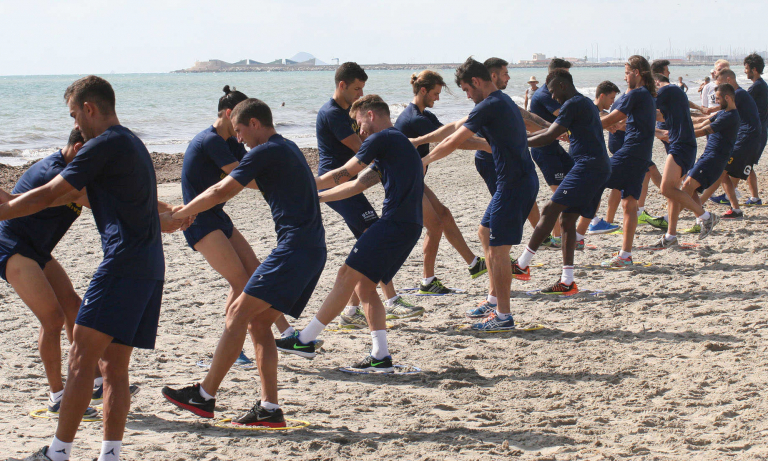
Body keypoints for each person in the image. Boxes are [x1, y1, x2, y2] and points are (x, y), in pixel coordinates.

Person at [7, 75, 188, 461]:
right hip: (150, 267)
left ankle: (58, 453)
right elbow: (123, 203)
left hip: (121, 266)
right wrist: (168, 217)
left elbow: (49, 194)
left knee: (81, 359)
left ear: (89, 109)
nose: (74, 124)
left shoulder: (101, 145)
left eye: (75, 115)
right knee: (114, 367)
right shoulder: (132, 143)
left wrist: (4, 209)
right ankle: (110, 454)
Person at [162, 98, 327, 427]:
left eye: (240, 132)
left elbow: (222, 189)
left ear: (255, 123)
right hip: (310, 248)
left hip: (296, 248)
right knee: (256, 322)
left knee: (238, 312)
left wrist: (179, 214)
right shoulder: (287, 147)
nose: (238, 140)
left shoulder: (266, 151)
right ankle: (269, 409)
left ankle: (204, 396)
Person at [275, 95, 423, 371]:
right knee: (364, 285)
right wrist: (315, 195)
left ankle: (305, 340)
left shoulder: (382, 139)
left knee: (345, 275)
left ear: (370, 114)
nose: (360, 131)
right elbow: (356, 184)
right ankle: (381, 357)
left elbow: (345, 171)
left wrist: (305, 187)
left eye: (359, 124)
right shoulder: (395, 144)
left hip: (394, 224)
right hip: (408, 225)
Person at [422, 57, 538, 330]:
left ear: (475, 82)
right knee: (485, 233)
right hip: (515, 181)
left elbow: (454, 140)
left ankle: (503, 316)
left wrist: (423, 161)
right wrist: (419, 141)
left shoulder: (490, 105)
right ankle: (494, 300)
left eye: (466, 89)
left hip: (515, 184)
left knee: (498, 250)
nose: (467, 95)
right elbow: (454, 130)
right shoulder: (501, 101)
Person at [181, 86, 293, 365]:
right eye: (241, 117)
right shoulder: (211, 141)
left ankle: (288, 333)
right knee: (242, 282)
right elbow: (243, 178)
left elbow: (255, 168)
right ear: (230, 114)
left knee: (254, 270)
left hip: (216, 216)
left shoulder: (230, 142)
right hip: (198, 219)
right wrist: (279, 188)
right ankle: (233, 350)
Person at [0, 129, 102, 421]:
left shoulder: (76, 172)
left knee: (74, 306)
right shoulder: (55, 173)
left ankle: (94, 382)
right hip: (12, 245)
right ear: (79, 147)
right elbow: (109, 203)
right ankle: (58, 396)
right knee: (53, 318)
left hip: (37, 249)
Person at [315, 62, 419, 328]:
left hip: (350, 178)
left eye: (363, 89)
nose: (360, 94)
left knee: (369, 241)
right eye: (357, 89)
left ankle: (352, 310)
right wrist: (392, 152)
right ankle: (389, 301)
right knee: (372, 236)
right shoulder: (333, 114)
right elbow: (360, 147)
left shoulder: (351, 112)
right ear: (342, 86)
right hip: (337, 180)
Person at [516, 69, 611, 294]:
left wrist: (517, 143)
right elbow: (550, 131)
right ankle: (567, 281)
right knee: (567, 220)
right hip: (595, 166)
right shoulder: (584, 103)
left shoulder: (572, 104)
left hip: (588, 166)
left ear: (561, 85)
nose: (552, 97)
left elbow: (549, 136)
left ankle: (521, 265)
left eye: (552, 92)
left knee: (550, 209)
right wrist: (520, 138)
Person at [394, 70, 488, 293]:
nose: (438, 98)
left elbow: (453, 131)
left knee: (443, 215)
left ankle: (475, 264)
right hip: (403, 183)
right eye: (435, 93)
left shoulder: (423, 115)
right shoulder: (414, 119)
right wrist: (487, 145)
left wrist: (483, 129)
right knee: (435, 225)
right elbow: (454, 142)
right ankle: (428, 281)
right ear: (423, 90)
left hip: (413, 179)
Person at [598, 56, 663, 267]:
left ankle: (579, 235)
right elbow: (634, 124)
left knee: (592, 180)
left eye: (626, 72)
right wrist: (618, 126)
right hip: (641, 155)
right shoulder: (646, 95)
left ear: (636, 72)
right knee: (629, 204)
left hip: (631, 153)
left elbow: (611, 118)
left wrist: (581, 129)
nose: (625, 77)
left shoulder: (637, 93)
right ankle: (625, 255)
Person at [652, 72, 717, 246]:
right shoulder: (675, 95)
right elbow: (658, 116)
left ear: (656, 83)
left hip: (681, 145)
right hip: (682, 144)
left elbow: (650, 111)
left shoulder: (667, 91)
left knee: (666, 189)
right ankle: (671, 236)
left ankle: (705, 216)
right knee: (673, 192)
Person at [528, 58, 576, 247]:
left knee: (572, 186)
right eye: (565, 74)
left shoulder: (562, 92)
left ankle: (561, 234)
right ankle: (556, 236)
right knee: (559, 195)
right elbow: (565, 113)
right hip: (543, 149)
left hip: (555, 147)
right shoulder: (544, 95)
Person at [680, 84, 740, 232]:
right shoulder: (723, 113)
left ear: (727, 98)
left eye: (718, 99)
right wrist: (680, 121)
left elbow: (705, 130)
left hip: (714, 158)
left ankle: (672, 219)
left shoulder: (731, 116)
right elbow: (702, 122)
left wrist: (680, 136)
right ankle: (702, 219)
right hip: (708, 155)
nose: (717, 102)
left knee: (687, 187)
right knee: (690, 187)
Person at [703, 69, 761, 219]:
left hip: (746, 139)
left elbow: (722, 111)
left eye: (721, 85)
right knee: (723, 172)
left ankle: (697, 204)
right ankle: (735, 209)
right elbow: (721, 112)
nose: (719, 92)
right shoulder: (738, 96)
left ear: (729, 80)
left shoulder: (739, 94)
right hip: (745, 137)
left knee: (721, 171)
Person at [743, 53, 767, 206]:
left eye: (746, 68)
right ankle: (754, 197)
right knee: (747, 163)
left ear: (754, 70)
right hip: (759, 131)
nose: (745, 71)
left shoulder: (758, 86)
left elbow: (740, 101)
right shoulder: (761, 85)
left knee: (742, 163)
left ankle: (729, 194)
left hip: (756, 133)